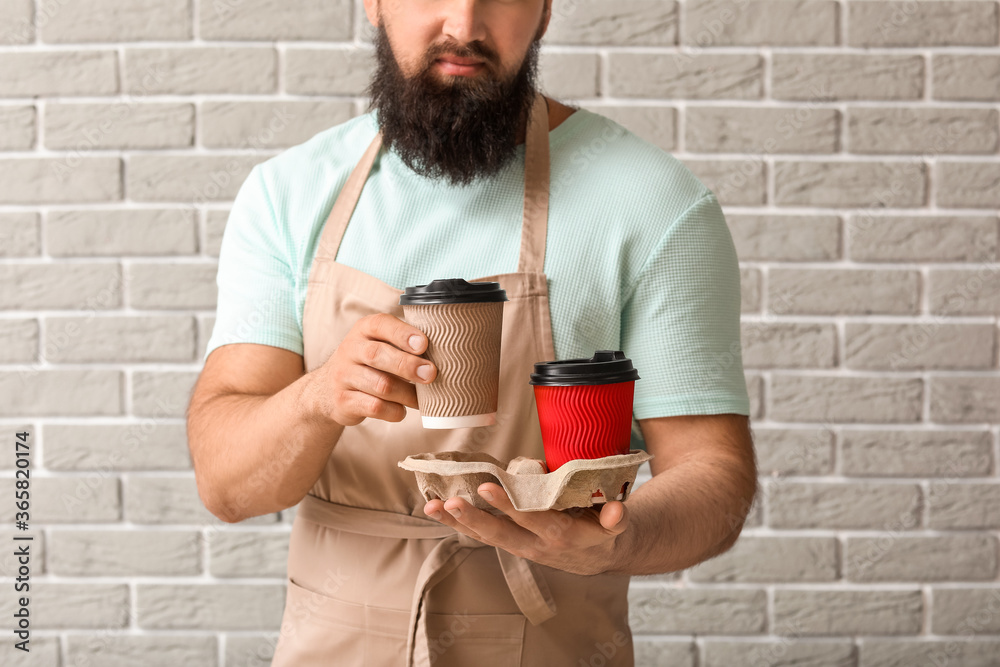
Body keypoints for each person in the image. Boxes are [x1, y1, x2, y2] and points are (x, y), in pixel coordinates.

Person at [186, 0, 758, 664]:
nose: (463, 24)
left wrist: (615, 542)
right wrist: (318, 397)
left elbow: (714, 474)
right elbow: (226, 486)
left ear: (543, 11)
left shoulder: (650, 201)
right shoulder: (287, 194)